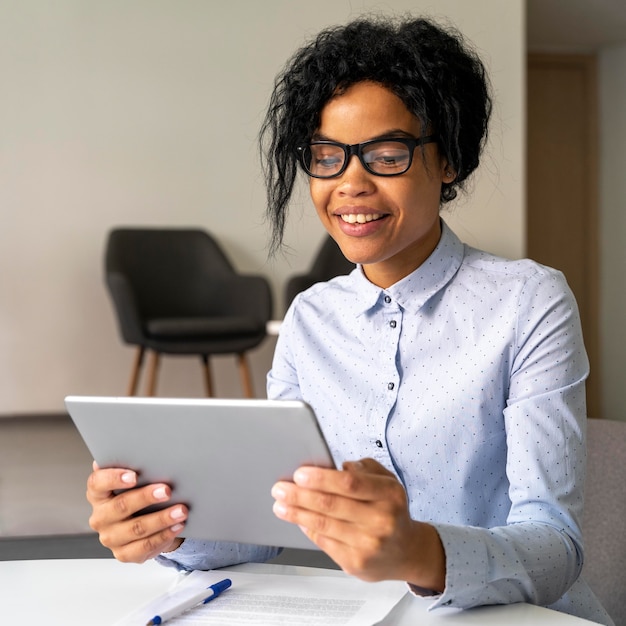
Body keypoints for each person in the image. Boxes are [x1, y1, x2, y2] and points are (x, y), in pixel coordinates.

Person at [86, 15, 613, 624]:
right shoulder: (310, 318)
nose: (350, 184)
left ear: (448, 160)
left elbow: (556, 545)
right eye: (327, 157)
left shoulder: (529, 301)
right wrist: (167, 525)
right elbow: (269, 522)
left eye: (387, 155)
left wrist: (424, 551)